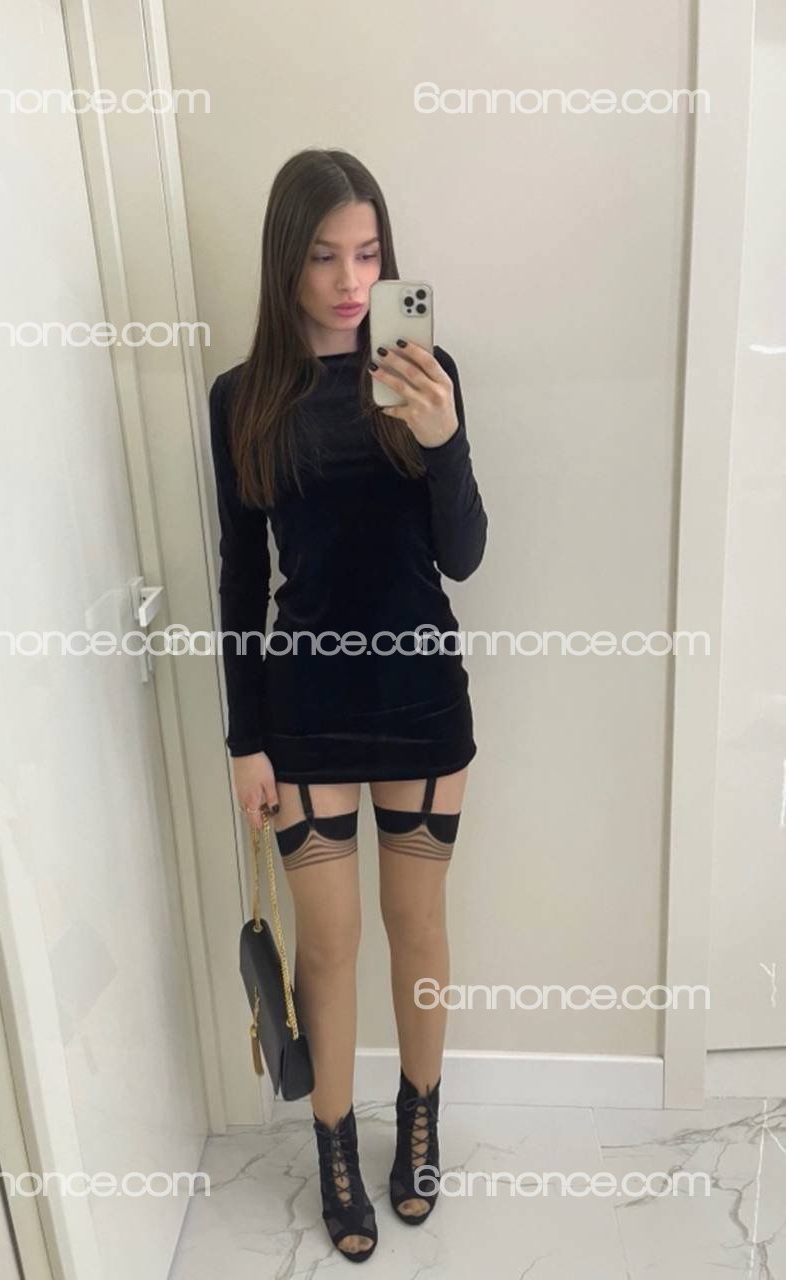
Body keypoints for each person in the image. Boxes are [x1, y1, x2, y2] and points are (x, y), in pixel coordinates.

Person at [208, 147, 487, 1263]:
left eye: (369, 255)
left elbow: (463, 554)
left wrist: (443, 439)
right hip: (306, 707)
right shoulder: (243, 397)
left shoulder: (425, 371)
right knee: (327, 949)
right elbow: (241, 580)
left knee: (417, 928)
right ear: (287, 260)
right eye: (325, 255)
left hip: (421, 694)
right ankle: (334, 1140)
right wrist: (244, 739)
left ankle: (419, 1117)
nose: (350, 281)